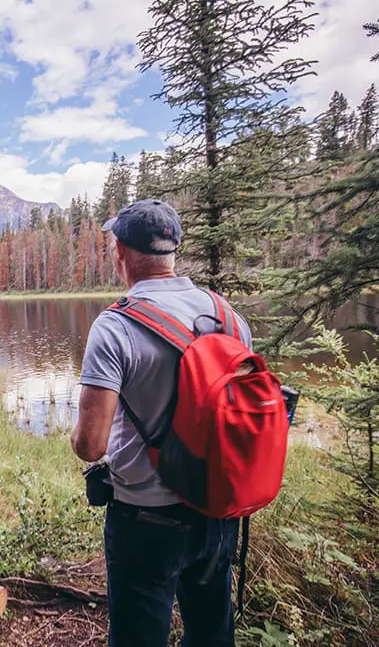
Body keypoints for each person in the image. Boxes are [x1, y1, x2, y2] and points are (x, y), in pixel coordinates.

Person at [71, 200, 253, 647]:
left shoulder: (115, 325)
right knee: (212, 634)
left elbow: (91, 445)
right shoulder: (228, 316)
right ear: (173, 251)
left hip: (146, 518)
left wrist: (77, 433)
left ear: (120, 252)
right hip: (217, 507)